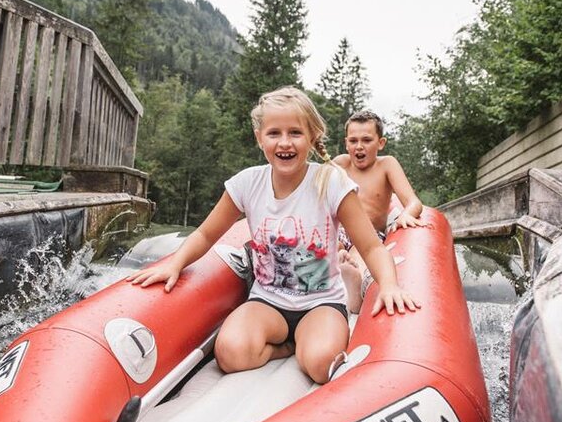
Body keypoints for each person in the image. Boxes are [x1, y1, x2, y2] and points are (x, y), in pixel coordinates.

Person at [127, 87, 419, 385]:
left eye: (295, 133)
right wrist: (175, 264)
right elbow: (205, 233)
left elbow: (371, 247)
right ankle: (286, 348)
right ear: (259, 138)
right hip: (268, 301)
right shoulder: (247, 183)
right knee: (229, 354)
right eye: (274, 133)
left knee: (321, 364)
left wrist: (389, 285)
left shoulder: (331, 182)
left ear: (312, 136)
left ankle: (314, 331)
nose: (285, 142)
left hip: (320, 302)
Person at [333, 110, 425, 313]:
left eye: (366, 140)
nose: (359, 146)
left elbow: (413, 202)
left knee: (359, 253)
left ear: (380, 143)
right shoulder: (340, 164)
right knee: (334, 245)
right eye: (353, 141)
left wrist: (406, 214)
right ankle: (338, 266)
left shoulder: (387, 165)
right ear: (346, 143)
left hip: (369, 234)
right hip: (340, 230)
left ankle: (354, 285)